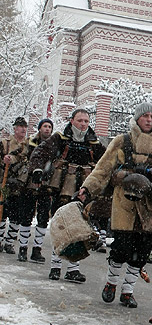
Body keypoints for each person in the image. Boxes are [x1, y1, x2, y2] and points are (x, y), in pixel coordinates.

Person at [79, 103, 152, 308]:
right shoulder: (121, 142)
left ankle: (128, 292)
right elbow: (103, 169)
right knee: (120, 249)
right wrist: (87, 188)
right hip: (125, 205)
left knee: (141, 252)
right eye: (145, 116)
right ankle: (111, 283)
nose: (149, 119)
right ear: (137, 119)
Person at [28, 108, 105, 282]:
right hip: (60, 189)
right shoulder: (59, 139)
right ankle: (55, 267)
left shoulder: (94, 143)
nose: (83, 124)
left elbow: (106, 162)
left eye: (86, 121)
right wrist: (38, 170)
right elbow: (39, 153)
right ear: (72, 121)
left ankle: (73, 269)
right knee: (61, 225)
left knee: (80, 228)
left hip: (83, 192)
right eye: (80, 120)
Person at [19, 118, 55, 264]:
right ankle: (22, 248)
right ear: (40, 128)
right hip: (29, 184)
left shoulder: (54, 144)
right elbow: (22, 157)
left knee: (43, 218)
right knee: (26, 216)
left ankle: (37, 250)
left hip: (46, 186)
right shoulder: (30, 142)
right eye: (45, 126)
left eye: (49, 127)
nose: (47, 129)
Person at [0, 117, 34, 257]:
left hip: (21, 184)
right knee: (2, 213)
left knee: (16, 215)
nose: (23, 129)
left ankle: (9, 242)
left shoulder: (29, 145)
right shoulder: (5, 143)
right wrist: (3, 160)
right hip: (6, 182)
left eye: (25, 127)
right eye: (20, 126)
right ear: (15, 128)